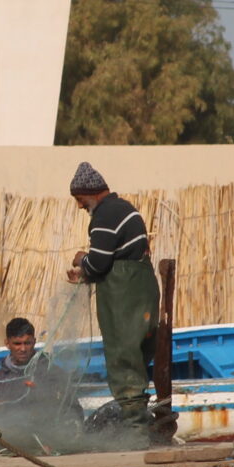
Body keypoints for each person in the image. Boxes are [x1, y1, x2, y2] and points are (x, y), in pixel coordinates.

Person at [65, 161, 157, 439]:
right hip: (141, 291)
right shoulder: (126, 209)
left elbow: (99, 264)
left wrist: (82, 260)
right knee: (137, 357)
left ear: (92, 194)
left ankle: (136, 433)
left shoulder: (104, 217)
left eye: (81, 200)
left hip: (123, 295)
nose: (81, 206)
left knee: (122, 358)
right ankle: (141, 426)